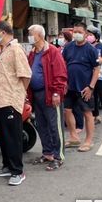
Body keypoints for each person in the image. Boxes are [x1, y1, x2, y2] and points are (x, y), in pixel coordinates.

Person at [0, 21, 31, 186]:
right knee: (3, 137)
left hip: (10, 101)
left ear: (4, 32)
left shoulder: (15, 49)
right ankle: (7, 165)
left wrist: (18, 93)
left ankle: (17, 171)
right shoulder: (2, 50)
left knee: (13, 138)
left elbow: (26, 75)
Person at [26, 24, 68, 170]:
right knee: (41, 125)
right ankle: (48, 153)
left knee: (54, 126)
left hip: (50, 93)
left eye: (31, 34)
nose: (29, 36)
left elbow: (60, 74)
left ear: (39, 36)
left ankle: (58, 156)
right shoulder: (32, 53)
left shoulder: (52, 51)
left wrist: (57, 92)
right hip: (36, 94)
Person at [61, 22, 100, 153]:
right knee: (67, 110)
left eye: (79, 32)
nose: (76, 34)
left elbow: (96, 69)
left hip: (85, 88)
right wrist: (64, 81)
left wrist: (91, 87)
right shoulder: (68, 47)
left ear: (86, 34)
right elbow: (64, 64)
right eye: (75, 32)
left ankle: (89, 140)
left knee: (87, 113)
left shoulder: (91, 49)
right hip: (69, 86)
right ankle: (74, 137)